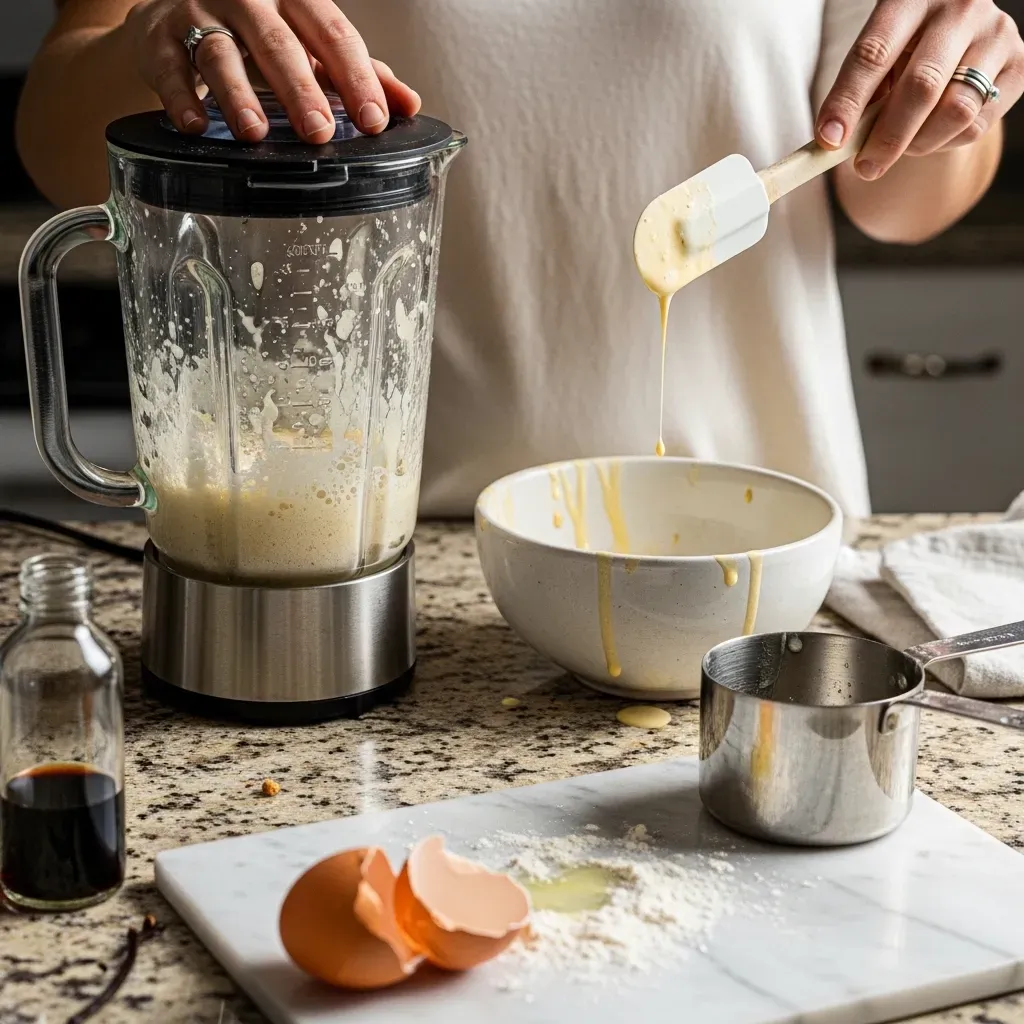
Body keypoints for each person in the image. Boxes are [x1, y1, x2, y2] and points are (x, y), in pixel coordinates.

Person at [17, 0, 1024, 517]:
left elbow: (902, 200)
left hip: (758, 542)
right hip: (370, 552)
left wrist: (955, 99)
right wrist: (155, 36)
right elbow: (61, 146)